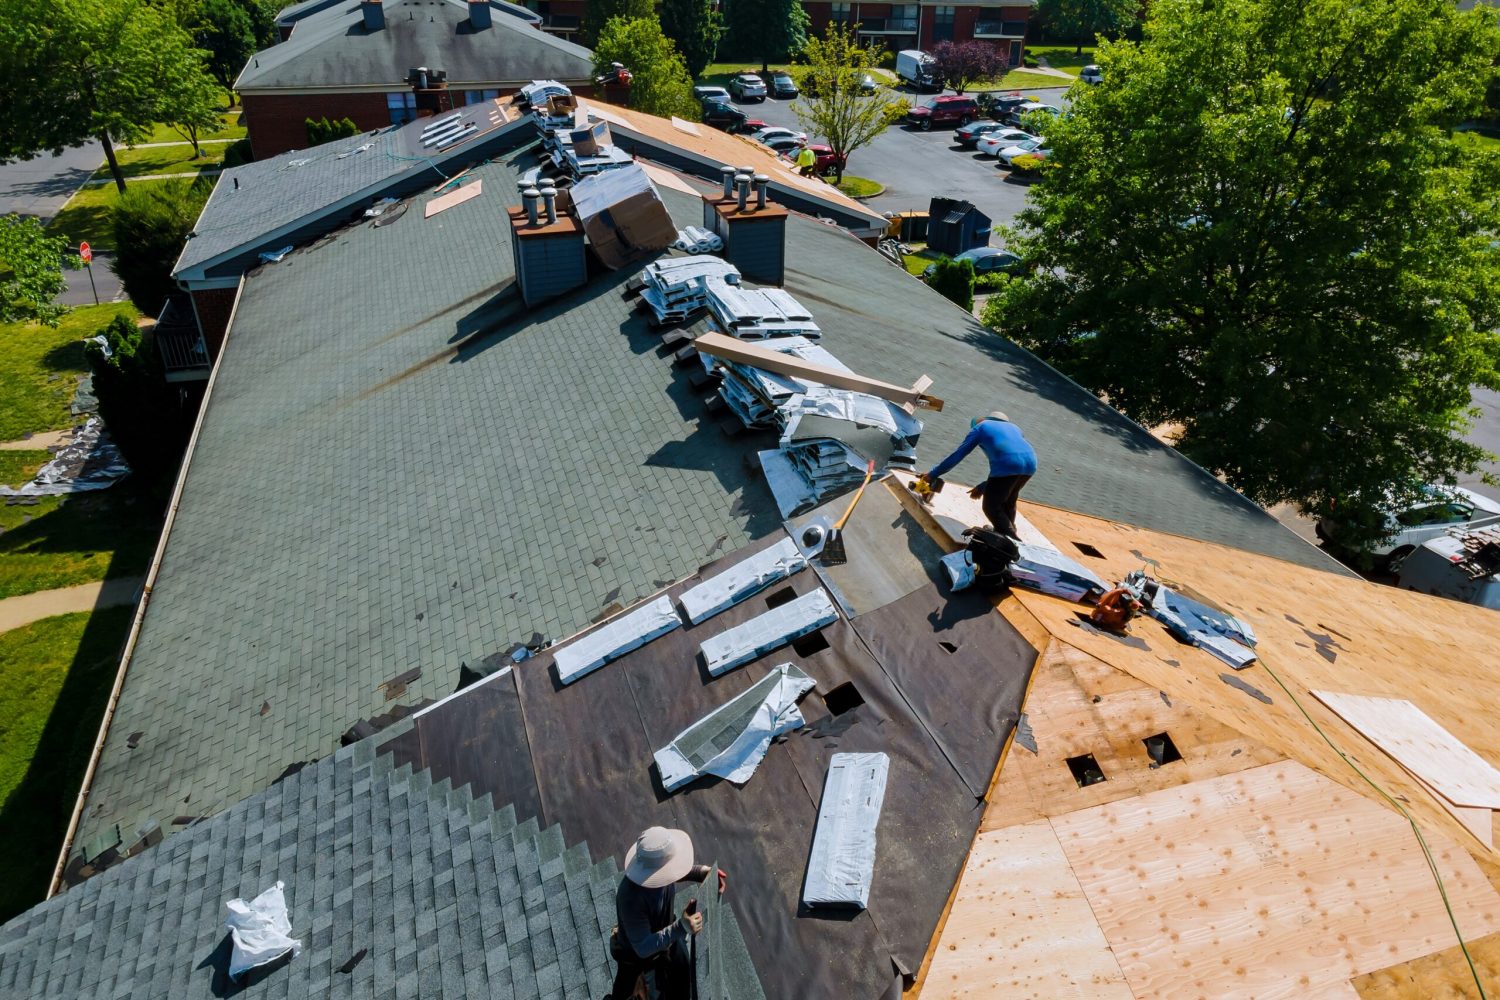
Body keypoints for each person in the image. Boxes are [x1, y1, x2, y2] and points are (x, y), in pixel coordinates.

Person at [610, 826, 727, 1000]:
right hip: (638, 958)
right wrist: (681, 927)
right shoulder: (631, 899)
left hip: (667, 937)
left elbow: (675, 872)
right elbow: (643, 948)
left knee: (683, 979)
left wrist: (702, 873)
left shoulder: (653, 872)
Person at [920, 411, 1037, 539]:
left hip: (1007, 464)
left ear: (984, 419)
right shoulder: (1015, 428)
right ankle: (1004, 532)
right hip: (1031, 464)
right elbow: (1009, 473)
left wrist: (933, 474)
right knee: (1008, 500)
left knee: (991, 507)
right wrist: (983, 486)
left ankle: (1012, 542)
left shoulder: (980, 427)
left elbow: (958, 455)